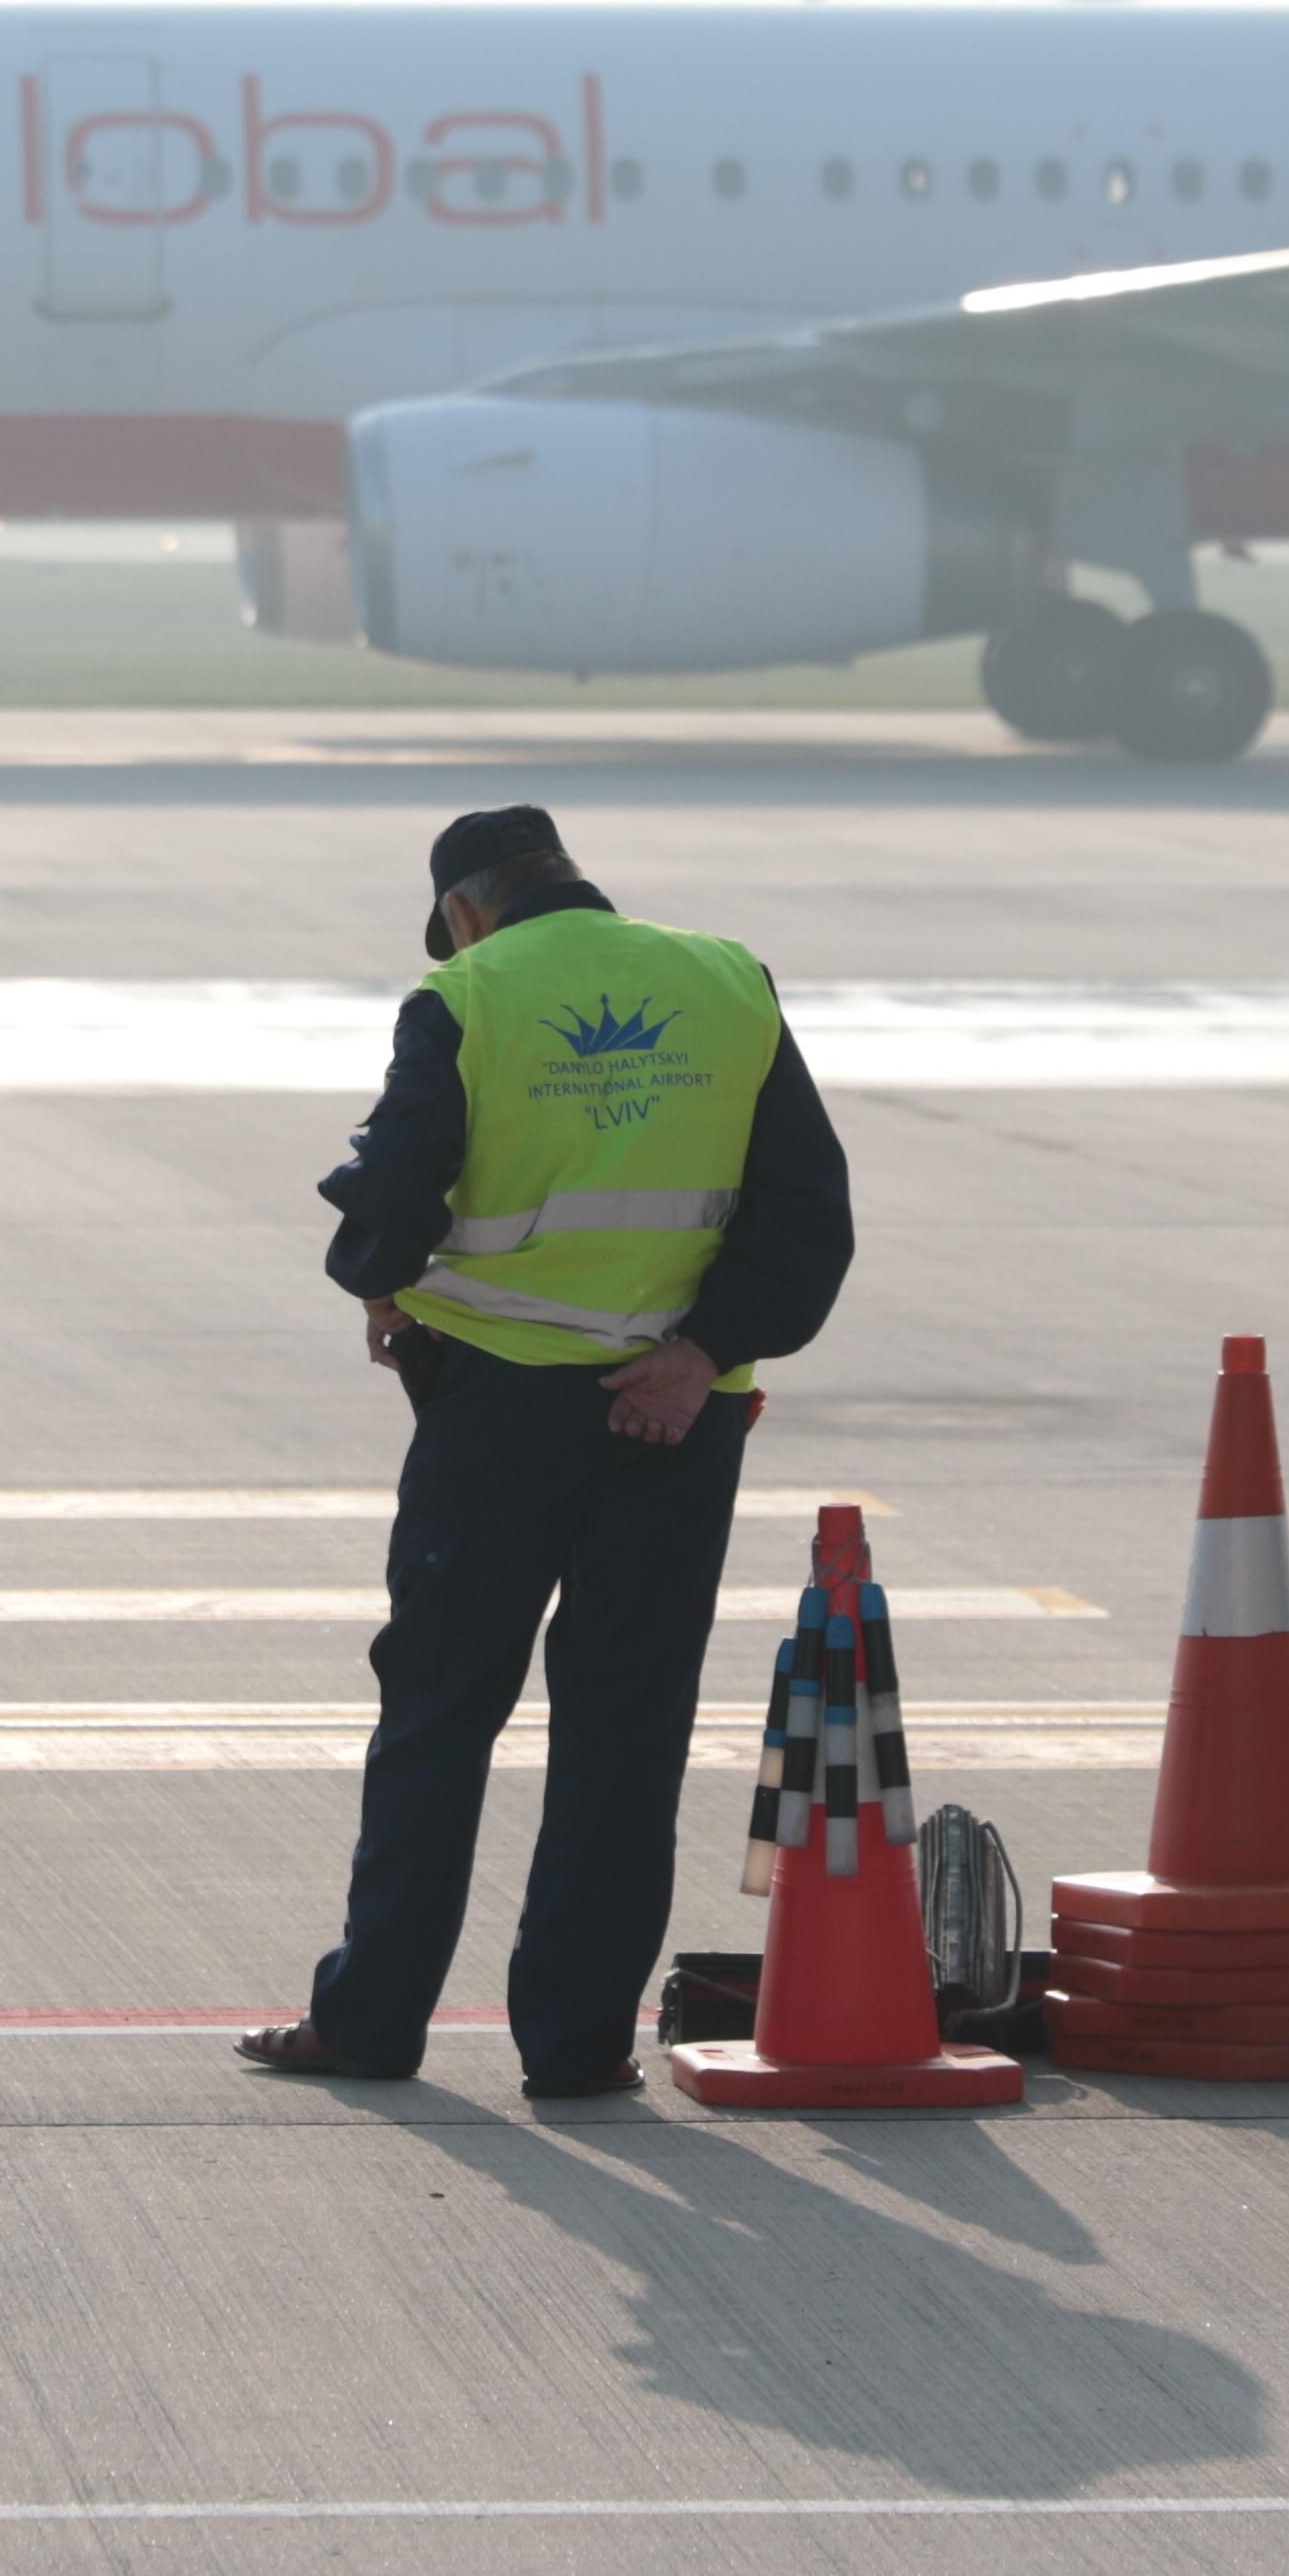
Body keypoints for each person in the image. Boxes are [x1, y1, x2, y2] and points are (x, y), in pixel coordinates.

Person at [240, 806, 855, 2099]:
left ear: (465, 910)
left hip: (498, 1414)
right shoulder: (726, 980)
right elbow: (808, 1212)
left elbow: (391, 1199)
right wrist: (699, 1353)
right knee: (626, 1733)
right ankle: (576, 2047)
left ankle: (375, 2019)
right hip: (679, 1420)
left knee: (440, 1712)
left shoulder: (467, 994)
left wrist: (377, 1276)